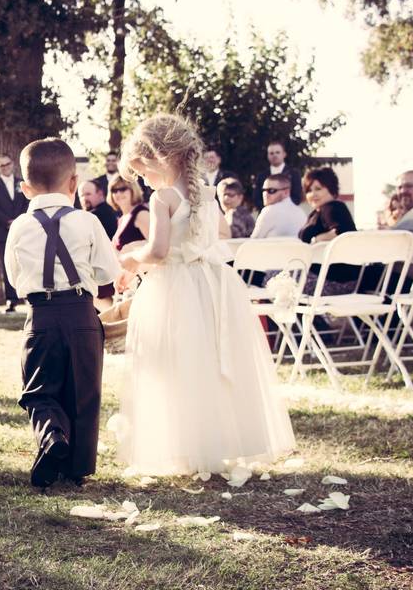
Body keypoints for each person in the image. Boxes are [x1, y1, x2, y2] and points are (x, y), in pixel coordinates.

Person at [115, 113, 295, 476]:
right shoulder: (207, 192)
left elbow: (159, 251)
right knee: (210, 364)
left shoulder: (163, 197)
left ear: (160, 158)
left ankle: (185, 447)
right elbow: (222, 234)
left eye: (143, 172)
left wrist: (131, 259)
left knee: (175, 363)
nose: (144, 182)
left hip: (177, 286)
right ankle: (216, 443)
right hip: (212, 283)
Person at [4, 138, 120, 488]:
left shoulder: (19, 227)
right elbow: (107, 273)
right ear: (73, 182)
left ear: (25, 188)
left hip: (40, 316)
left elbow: (13, 277)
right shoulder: (87, 222)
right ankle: (75, 468)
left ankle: (51, 436)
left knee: (39, 390)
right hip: (82, 314)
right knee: (84, 392)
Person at [298, 167, 359, 294]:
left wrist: (316, 240)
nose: (312, 194)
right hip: (323, 276)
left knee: (271, 278)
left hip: (333, 280)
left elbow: (342, 233)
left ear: (331, 189)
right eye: (309, 190)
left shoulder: (332, 207)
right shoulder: (318, 211)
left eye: (318, 189)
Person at [0, 153, 29, 313]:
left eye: (7, 164)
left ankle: (27, 296)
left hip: (23, 231)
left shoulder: (22, 183)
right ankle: (11, 300)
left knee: (25, 263)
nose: (5, 168)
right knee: (8, 266)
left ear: (12, 164)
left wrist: (19, 221)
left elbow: (27, 203)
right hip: (3, 232)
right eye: (1, 166)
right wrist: (9, 222)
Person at [250, 173, 307, 238]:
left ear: (286, 192)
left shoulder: (269, 211)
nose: (265, 194)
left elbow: (254, 241)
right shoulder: (300, 212)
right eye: (263, 190)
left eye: (271, 190)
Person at [253, 141, 302, 209]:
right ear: (268, 156)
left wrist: (280, 209)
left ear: (284, 154)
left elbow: (297, 197)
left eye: (277, 152)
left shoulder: (294, 174)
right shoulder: (261, 176)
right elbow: (256, 199)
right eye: (271, 153)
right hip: (267, 214)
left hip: (287, 214)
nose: (274, 155)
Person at [109, 176, 149, 251]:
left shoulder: (141, 214)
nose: (118, 193)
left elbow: (156, 249)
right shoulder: (121, 219)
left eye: (123, 189)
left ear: (133, 190)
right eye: (114, 190)